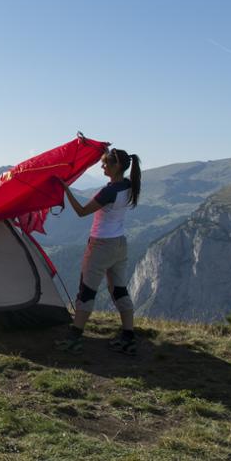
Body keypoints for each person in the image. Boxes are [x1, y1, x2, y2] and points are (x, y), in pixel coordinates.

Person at [56, 148, 142, 355]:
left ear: (117, 166)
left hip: (101, 245)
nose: (102, 166)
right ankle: (128, 337)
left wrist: (66, 189)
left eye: (105, 163)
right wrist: (106, 153)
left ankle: (75, 337)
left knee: (86, 291)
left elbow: (82, 212)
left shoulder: (109, 192)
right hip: (120, 244)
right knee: (119, 290)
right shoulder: (129, 185)